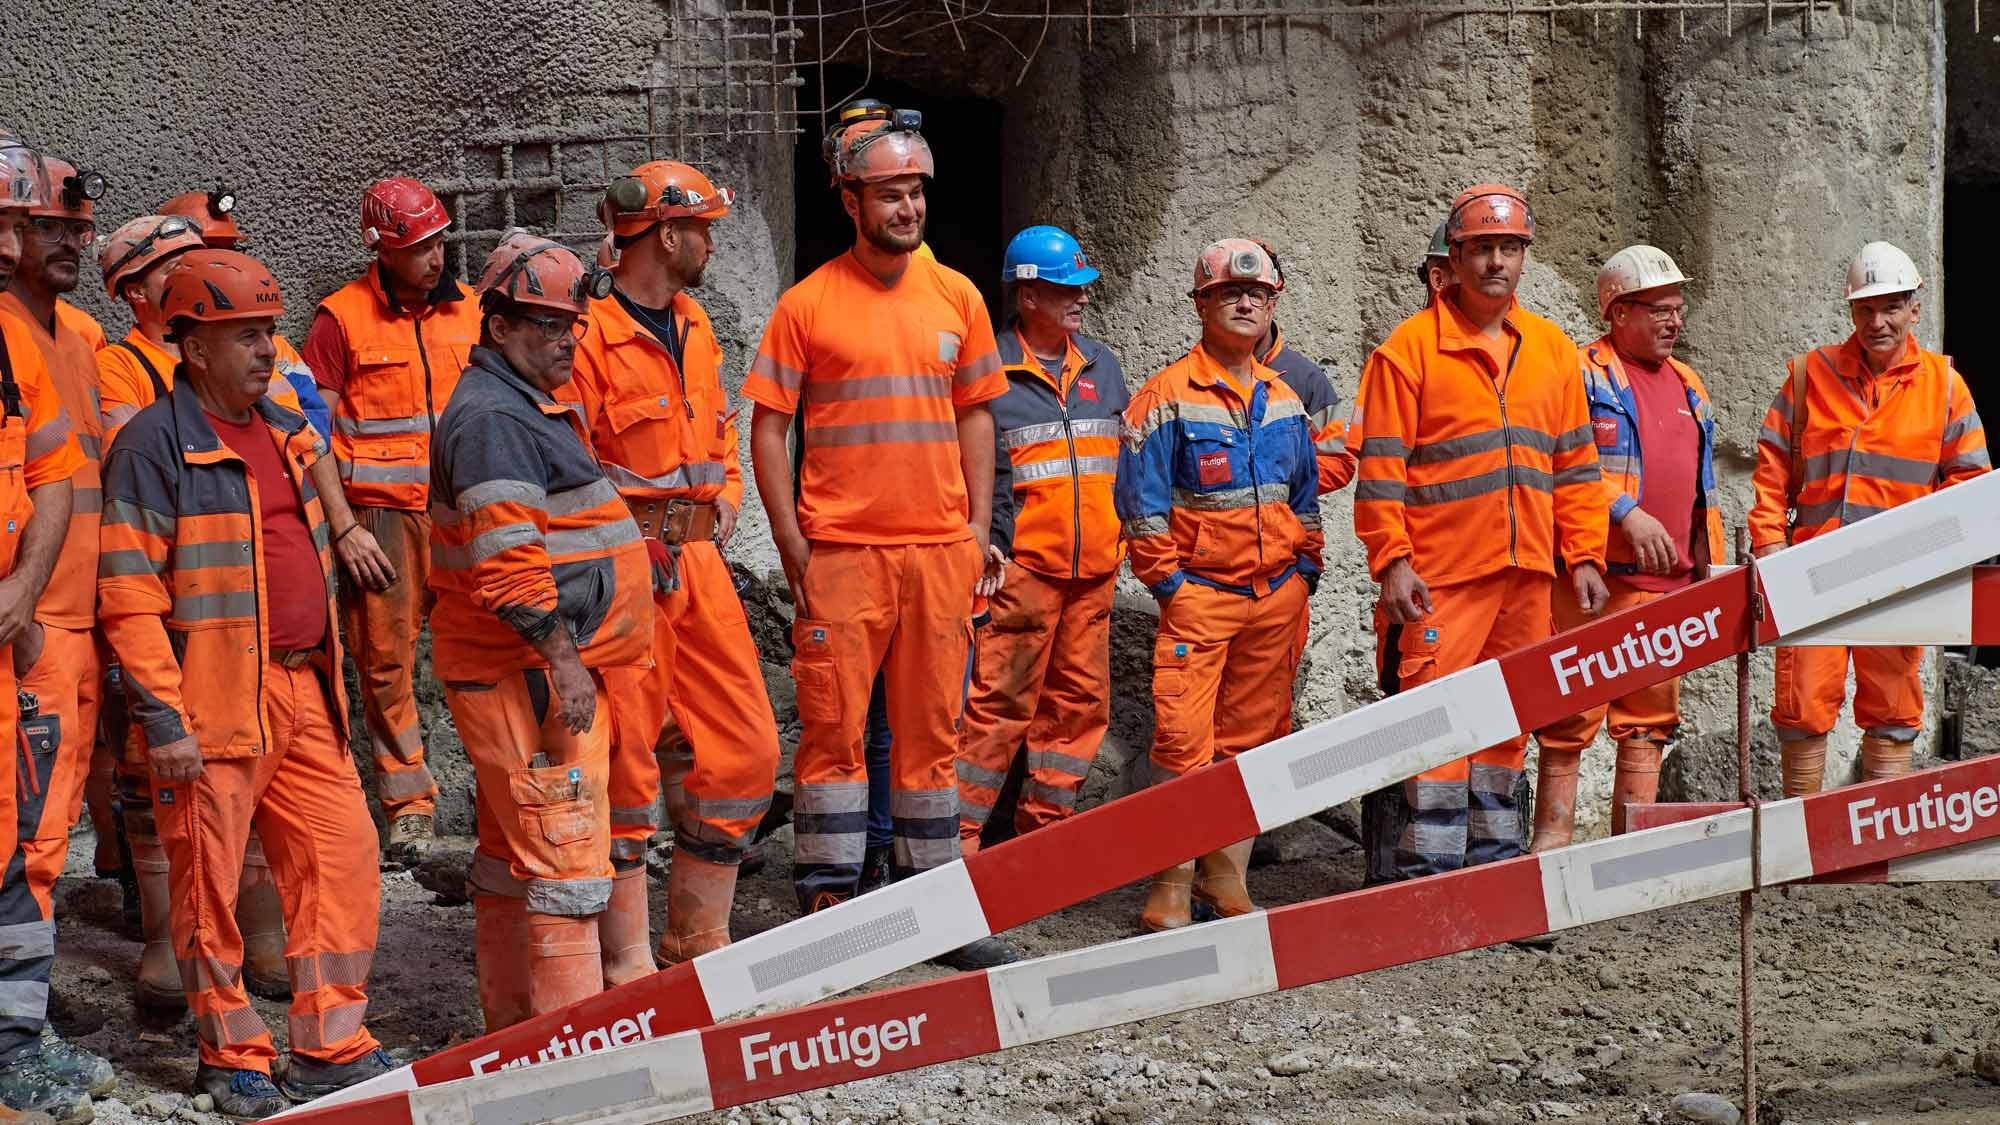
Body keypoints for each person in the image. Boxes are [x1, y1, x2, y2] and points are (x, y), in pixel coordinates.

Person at [97, 248, 393, 1118]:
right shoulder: (155, 444)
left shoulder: (283, 426)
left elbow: (317, 484)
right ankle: (229, 1054)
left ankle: (330, 1042)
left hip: (305, 686)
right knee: (206, 888)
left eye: (269, 331)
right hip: (211, 701)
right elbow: (128, 593)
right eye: (244, 336)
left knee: (343, 859)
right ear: (192, 347)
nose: (268, 351)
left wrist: (342, 529)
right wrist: (163, 714)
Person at [744, 101, 1007, 938]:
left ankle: (933, 909)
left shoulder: (957, 297)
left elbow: (977, 414)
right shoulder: (808, 304)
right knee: (832, 731)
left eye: (917, 192)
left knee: (934, 737)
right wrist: (790, 539)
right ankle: (828, 900)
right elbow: (768, 423)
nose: (908, 208)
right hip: (844, 553)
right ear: (849, 201)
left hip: (937, 553)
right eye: (889, 194)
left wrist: (972, 533)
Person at [1351, 184, 1608, 883]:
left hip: (1526, 575)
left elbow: (1577, 466)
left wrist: (1583, 554)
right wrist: (1393, 561)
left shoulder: (1554, 352)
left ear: (1525, 256)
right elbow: (1380, 475)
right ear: (1454, 259)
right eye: (1483, 248)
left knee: (1506, 720)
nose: (1497, 261)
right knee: (1434, 719)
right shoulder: (1407, 353)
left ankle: (1493, 870)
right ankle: (1431, 876)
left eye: (1510, 248)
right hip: (1442, 576)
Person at [428, 231, 651, 1030]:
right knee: (563, 849)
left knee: (512, 847)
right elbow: (509, 566)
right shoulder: (492, 418)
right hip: (525, 666)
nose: (567, 341)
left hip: (527, 665)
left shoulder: (523, 405)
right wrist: (564, 662)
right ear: (498, 328)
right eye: (548, 326)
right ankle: (575, 1050)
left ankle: (517, 1026)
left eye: (573, 325)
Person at [564, 161, 780, 974]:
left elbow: (718, 425)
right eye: (705, 229)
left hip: (697, 562)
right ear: (664, 233)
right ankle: (626, 962)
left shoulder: (693, 322)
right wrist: (624, 539)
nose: (713, 242)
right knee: (624, 763)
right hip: (623, 568)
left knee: (748, 745)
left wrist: (725, 489)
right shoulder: (585, 335)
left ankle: (696, 939)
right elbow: (571, 460)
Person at [1115, 238, 1320, 932]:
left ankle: (1223, 880)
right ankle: (1170, 887)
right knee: (1181, 741)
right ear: (1200, 304)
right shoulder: (1165, 396)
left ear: (1272, 308)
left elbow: (1307, 499)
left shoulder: (1287, 400)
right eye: (1229, 294)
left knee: (1253, 742)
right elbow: (1139, 506)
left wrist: (1306, 569)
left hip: (1276, 597)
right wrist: (1171, 583)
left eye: (1257, 295)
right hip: (1201, 595)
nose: (1244, 303)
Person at [1749, 241, 1988, 793]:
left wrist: (1930, 555)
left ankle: (1884, 846)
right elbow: (1771, 468)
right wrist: (1768, 544)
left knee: (1892, 707)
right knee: (1803, 705)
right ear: (1851, 311)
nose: (1877, 322)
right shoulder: (1811, 374)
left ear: (1914, 310)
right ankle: (1799, 855)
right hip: (1813, 574)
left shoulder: (1945, 388)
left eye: (1890, 308)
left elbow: (1971, 484)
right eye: (1865, 310)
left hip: (1896, 578)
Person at [302, 178, 482, 861]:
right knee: (385, 661)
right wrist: (343, 524)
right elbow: (309, 429)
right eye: (419, 248)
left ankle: (501, 787)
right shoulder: (339, 319)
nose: (436, 259)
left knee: (494, 646)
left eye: (439, 242)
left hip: (464, 513)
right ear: (382, 250)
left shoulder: (470, 312)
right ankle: (408, 803)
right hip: (381, 518)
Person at [1530, 246, 1724, 848]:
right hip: (1597, 578)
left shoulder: (1689, 384)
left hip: (1668, 588)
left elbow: (1701, 488)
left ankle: (1628, 856)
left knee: (1648, 725)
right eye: (1658, 310)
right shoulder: (1579, 372)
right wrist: (1625, 513)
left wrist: (1706, 564)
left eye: (1677, 308)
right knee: (1569, 713)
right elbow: (1563, 458)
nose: (1674, 321)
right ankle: (1551, 848)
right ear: (1617, 312)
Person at [954, 225, 1125, 898]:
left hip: (1093, 574)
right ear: (1026, 294)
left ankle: (1044, 845)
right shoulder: (989, 373)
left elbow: (1120, 460)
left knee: (1078, 711)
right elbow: (976, 474)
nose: (1080, 300)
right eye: (1064, 289)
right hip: (1022, 574)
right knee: (995, 709)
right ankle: (958, 853)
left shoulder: (1102, 366)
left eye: (1083, 288)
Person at [0, 139, 96, 1125]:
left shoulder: (24, 341)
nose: (11, 243)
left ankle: (14, 1045)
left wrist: (26, 589)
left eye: (20, 224)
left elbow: (55, 474)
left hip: (24, 640)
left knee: (23, 849)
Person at [159, 186, 331, 437]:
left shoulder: (277, 347)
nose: (221, 263)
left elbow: (316, 431)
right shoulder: (138, 360)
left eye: (227, 250)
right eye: (206, 251)